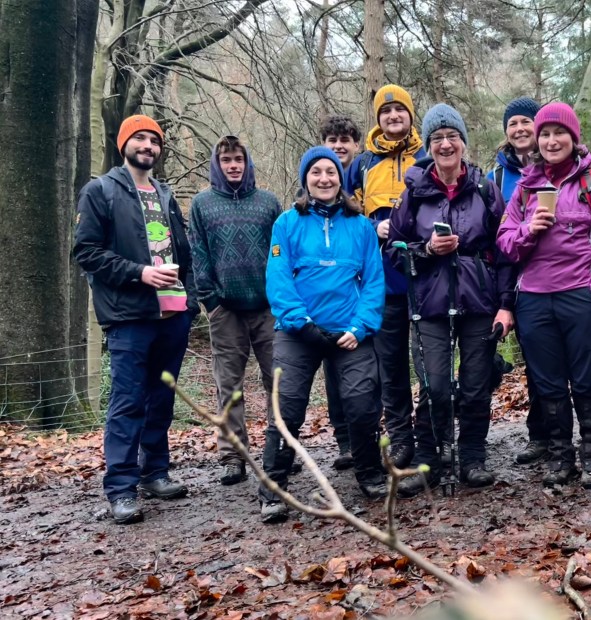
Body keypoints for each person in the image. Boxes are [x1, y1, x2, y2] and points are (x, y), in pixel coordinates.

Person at [74, 115, 199, 524]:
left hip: (173, 315)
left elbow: (183, 251)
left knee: (161, 398)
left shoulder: (164, 193)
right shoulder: (100, 191)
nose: (148, 146)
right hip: (129, 316)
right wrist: (139, 272)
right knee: (127, 401)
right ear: (123, 143)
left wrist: (191, 300)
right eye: (140, 139)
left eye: (154, 140)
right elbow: (86, 252)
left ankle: (155, 473)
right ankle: (122, 488)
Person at [387, 104, 514, 497]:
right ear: (429, 145)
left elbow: (506, 250)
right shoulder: (413, 194)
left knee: (476, 384)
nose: (445, 144)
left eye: (452, 137)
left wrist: (506, 304)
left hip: (479, 299)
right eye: (437, 138)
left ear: (463, 142)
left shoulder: (485, 190)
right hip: (429, 303)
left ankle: (473, 457)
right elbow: (393, 249)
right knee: (434, 385)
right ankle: (431, 460)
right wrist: (426, 249)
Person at [496, 102, 591, 488]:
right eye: (545, 134)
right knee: (547, 383)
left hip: (581, 295)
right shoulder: (526, 186)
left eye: (559, 133)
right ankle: (559, 455)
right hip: (534, 299)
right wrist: (529, 230)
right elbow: (505, 243)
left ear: (573, 137)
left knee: (586, 380)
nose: (552, 141)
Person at [260, 146, 385, 523]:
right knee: (288, 409)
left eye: (331, 172)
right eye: (316, 172)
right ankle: (273, 489)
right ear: (306, 180)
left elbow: (373, 281)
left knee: (362, 404)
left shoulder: (360, 226)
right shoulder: (287, 223)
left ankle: (370, 473)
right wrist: (303, 325)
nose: (324, 178)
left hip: (350, 332)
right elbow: (278, 281)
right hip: (298, 333)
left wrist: (360, 327)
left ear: (341, 180)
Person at [188, 135, 282, 486]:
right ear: (218, 163)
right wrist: (210, 301)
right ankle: (233, 457)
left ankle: (281, 450)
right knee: (229, 385)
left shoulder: (268, 203)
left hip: (268, 308)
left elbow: (280, 251)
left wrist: (279, 295)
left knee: (278, 382)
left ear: (247, 162)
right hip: (225, 310)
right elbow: (198, 254)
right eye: (226, 159)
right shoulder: (202, 204)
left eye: (238, 159)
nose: (233, 165)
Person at [346, 85, 426, 469]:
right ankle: (401, 440)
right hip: (383, 283)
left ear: (411, 115)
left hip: (427, 280)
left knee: (428, 364)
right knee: (391, 368)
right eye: (386, 111)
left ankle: (431, 436)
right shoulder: (361, 164)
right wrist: (369, 227)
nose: (394, 116)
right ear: (377, 118)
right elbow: (345, 216)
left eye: (400, 110)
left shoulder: (426, 157)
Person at [486, 97, 549, 465]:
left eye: (526, 121)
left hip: (564, 274)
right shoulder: (495, 177)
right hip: (517, 277)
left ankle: (583, 436)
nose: (520, 129)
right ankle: (539, 435)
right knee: (536, 361)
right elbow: (497, 237)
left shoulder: (560, 162)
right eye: (513, 124)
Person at [319, 114, 363, 470]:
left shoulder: (366, 172)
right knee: (334, 372)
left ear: (356, 144)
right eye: (332, 139)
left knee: (368, 370)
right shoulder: (314, 182)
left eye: (346, 139)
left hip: (368, 287)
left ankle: (369, 436)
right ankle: (345, 439)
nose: (339, 145)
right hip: (328, 301)